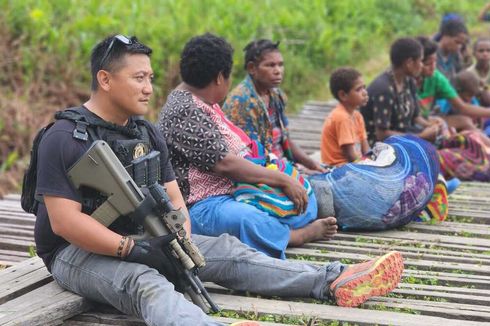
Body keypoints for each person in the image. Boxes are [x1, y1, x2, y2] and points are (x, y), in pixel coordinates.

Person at [32, 34, 404, 325]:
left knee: (228, 252)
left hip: (147, 235)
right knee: (143, 283)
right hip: (75, 252)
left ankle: (332, 279)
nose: (148, 87)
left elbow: (174, 196)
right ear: (105, 79)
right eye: (138, 78)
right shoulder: (64, 137)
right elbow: (65, 223)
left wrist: (179, 240)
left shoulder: (145, 131)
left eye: (150, 77)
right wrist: (134, 251)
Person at [158, 34, 337, 260]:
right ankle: (294, 236)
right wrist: (282, 180)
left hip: (235, 189)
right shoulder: (183, 110)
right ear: (219, 78)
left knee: (305, 201)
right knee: (246, 220)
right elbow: (225, 163)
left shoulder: (203, 102)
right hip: (203, 204)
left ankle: (279, 228)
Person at [222, 39, 326, 175]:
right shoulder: (241, 102)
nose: (278, 71)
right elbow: (252, 156)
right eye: (270, 65)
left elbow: (285, 138)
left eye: (280, 65)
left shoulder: (275, 95)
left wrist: (313, 164)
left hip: (282, 165)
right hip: (262, 173)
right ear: (252, 68)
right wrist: (298, 172)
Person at [360, 37, 442, 147]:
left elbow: (415, 117)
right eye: (420, 61)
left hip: (406, 135)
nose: (421, 65)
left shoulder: (408, 80)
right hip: (384, 147)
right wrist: (421, 137)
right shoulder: (384, 90)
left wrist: (430, 125)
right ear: (409, 63)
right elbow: (382, 134)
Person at [416, 36, 490, 133]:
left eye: (435, 62)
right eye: (428, 64)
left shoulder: (435, 77)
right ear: (415, 63)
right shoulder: (407, 82)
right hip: (415, 124)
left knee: (465, 122)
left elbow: (462, 106)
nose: (433, 67)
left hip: (428, 120)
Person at [320, 67, 370, 166]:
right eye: (359, 89)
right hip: (338, 169)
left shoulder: (357, 116)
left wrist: (373, 161)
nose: (365, 93)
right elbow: (350, 155)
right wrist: (368, 167)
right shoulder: (341, 117)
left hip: (354, 165)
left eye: (364, 87)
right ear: (343, 95)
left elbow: (366, 148)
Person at [467, 37, 490, 106]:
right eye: (481, 51)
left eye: (489, 51)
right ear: (473, 53)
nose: (485, 54)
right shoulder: (469, 73)